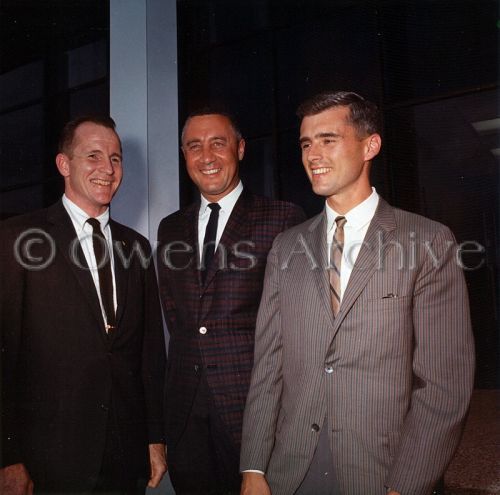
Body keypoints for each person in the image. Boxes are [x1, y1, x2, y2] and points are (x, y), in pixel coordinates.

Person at [240, 91, 475, 495]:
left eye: (328, 139)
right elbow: (268, 367)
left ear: (371, 145)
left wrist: (407, 484)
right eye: (306, 143)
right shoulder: (285, 247)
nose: (313, 153)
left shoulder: (427, 241)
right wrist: (254, 468)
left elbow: (444, 385)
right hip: (290, 471)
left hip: (382, 472)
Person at [0, 116, 167, 494]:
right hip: (47, 463)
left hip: (125, 460)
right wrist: (6, 456)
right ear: (64, 165)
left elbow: (149, 353)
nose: (108, 169)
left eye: (115, 158)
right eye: (93, 155)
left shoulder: (136, 248)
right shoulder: (17, 239)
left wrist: (155, 438)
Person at [157, 108, 305, 494]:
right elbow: (176, 315)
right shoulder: (170, 227)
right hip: (185, 414)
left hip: (252, 413)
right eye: (194, 146)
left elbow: (294, 327)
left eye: (217, 143)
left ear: (240, 149)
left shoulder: (283, 219)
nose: (206, 156)